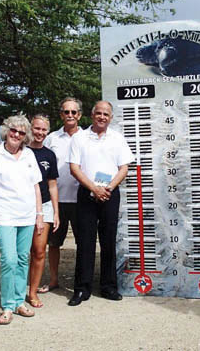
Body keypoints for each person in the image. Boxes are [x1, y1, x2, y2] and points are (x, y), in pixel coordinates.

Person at [67, 100, 134, 306]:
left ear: (111, 118)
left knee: (108, 241)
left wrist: (108, 188)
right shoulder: (79, 138)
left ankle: (108, 287)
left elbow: (124, 168)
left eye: (106, 114)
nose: (102, 117)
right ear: (92, 114)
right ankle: (81, 289)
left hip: (110, 193)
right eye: (99, 113)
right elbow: (74, 168)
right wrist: (94, 188)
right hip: (87, 193)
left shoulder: (118, 138)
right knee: (85, 242)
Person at [0, 115, 43, 325]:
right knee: (9, 260)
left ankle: (18, 301)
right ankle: (7, 305)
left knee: (24, 258)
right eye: (13, 130)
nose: (16, 135)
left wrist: (39, 215)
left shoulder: (29, 155)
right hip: (4, 215)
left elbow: (36, 187)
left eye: (21, 132)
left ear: (26, 136)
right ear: (6, 131)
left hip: (27, 216)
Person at [41, 97, 83, 292]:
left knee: (83, 243)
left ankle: (81, 282)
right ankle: (54, 280)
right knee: (54, 243)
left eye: (74, 112)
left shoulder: (87, 137)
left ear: (80, 115)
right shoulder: (51, 138)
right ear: (61, 115)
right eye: (66, 112)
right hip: (56, 200)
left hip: (81, 200)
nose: (70, 115)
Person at [27, 115, 60, 308]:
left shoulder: (49, 154)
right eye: (36, 128)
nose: (39, 133)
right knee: (23, 252)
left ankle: (32, 291)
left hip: (46, 206)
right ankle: (17, 290)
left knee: (39, 251)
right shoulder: (21, 151)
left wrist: (56, 212)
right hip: (23, 206)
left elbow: (53, 184)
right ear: (30, 128)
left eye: (43, 130)